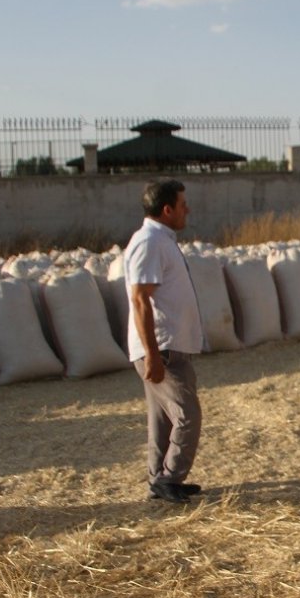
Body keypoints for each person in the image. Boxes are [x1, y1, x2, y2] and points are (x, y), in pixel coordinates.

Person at [124, 179, 206, 504]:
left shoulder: (160, 240)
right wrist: (152, 354)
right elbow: (140, 299)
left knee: (162, 420)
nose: (188, 210)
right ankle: (170, 478)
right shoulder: (150, 242)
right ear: (168, 209)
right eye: (183, 205)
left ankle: (158, 480)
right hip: (162, 348)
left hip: (167, 347)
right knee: (188, 415)